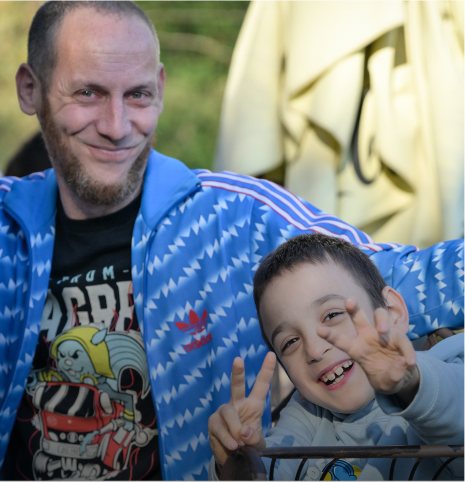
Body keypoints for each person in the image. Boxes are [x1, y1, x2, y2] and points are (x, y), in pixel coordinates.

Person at [1, 0, 465, 480]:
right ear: (30, 89)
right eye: (88, 93)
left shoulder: (237, 217)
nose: (117, 126)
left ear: (160, 89)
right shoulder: (5, 231)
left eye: (137, 95)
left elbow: (407, 279)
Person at [208, 233, 465, 480]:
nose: (314, 350)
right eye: (290, 342)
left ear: (392, 312)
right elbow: (274, 472)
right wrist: (238, 460)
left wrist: (410, 385)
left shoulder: (446, 364)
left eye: (332, 315)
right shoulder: (306, 416)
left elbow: (453, 409)